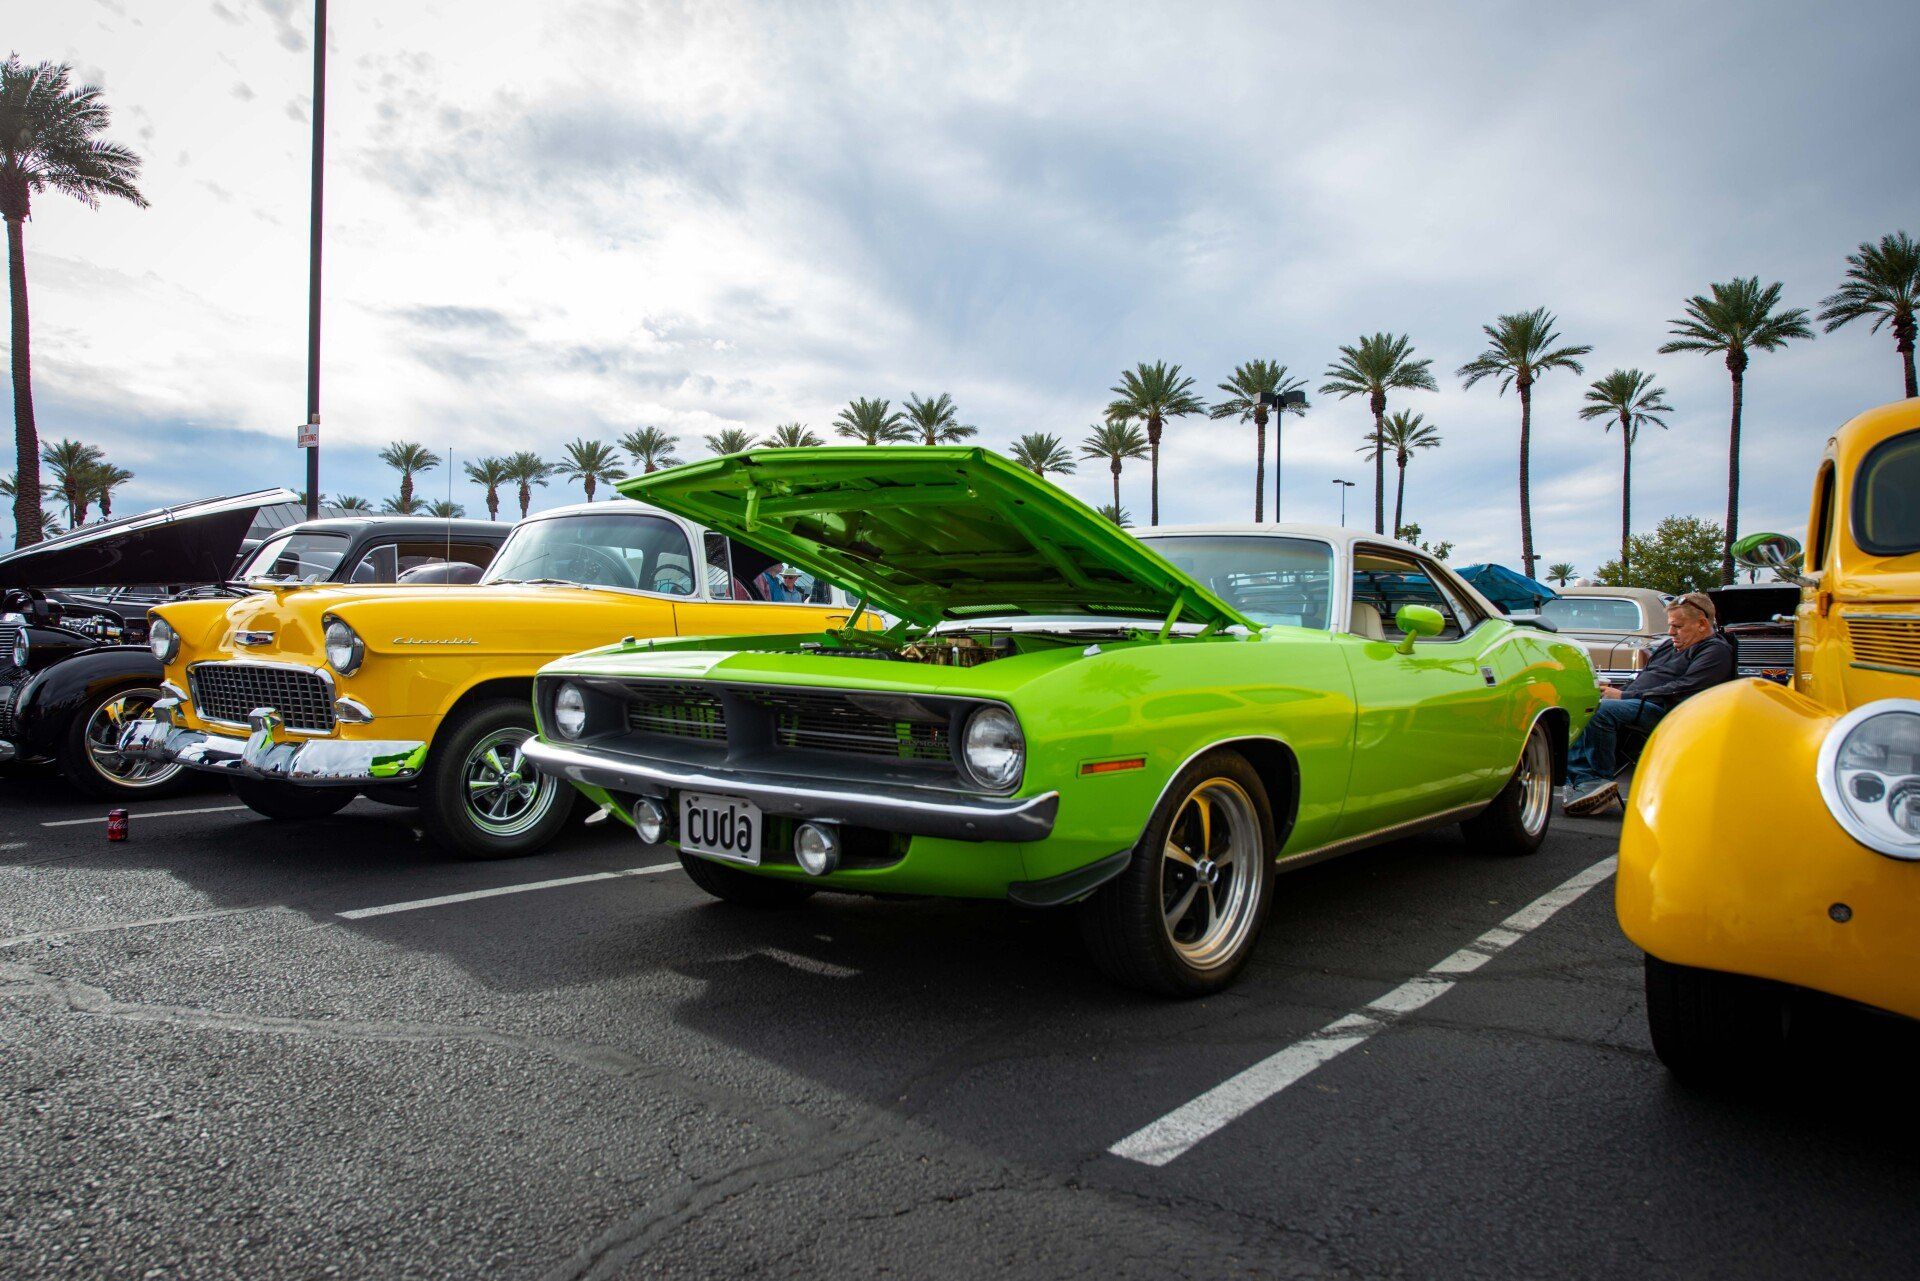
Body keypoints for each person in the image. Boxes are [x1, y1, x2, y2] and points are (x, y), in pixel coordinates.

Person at [1563, 592, 1735, 815]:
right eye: (1670, 626)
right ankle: (1576, 782)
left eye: (1678, 626)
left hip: (1670, 712)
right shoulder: (1669, 646)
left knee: (1600, 711)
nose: (1671, 632)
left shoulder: (1715, 650)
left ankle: (1591, 782)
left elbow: (1685, 687)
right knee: (1579, 706)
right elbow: (1646, 679)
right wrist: (1615, 692)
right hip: (1641, 703)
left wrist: (1623, 697)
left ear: (1702, 624)